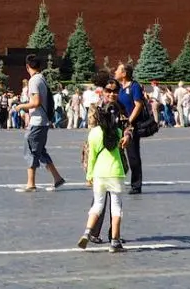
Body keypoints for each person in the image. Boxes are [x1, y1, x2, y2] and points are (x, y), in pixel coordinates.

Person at [79, 101, 128, 253]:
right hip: (115, 172)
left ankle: (87, 232)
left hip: (99, 173)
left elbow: (91, 156)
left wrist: (89, 175)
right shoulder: (118, 132)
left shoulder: (93, 133)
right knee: (116, 208)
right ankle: (115, 241)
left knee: (97, 206)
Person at [14, 54, 65, 192]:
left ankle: (31, 183)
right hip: (43, 121)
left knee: (30, 149)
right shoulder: (42, 78)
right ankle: (57, 178)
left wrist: (21, 106)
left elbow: (36, 102)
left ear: (27, 66)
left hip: (37, 122)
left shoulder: (33, 81)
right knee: (40, 151)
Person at [114, 62, 144, 194]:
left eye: (117, 70)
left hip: (131, 125)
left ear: (124, 73)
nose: (115, 72)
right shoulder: (120, 88)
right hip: (119, 124)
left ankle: (136, 185)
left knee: (132, 155)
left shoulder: (134, 86)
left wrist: (129, 120)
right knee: (117, 153)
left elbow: (138, 105)